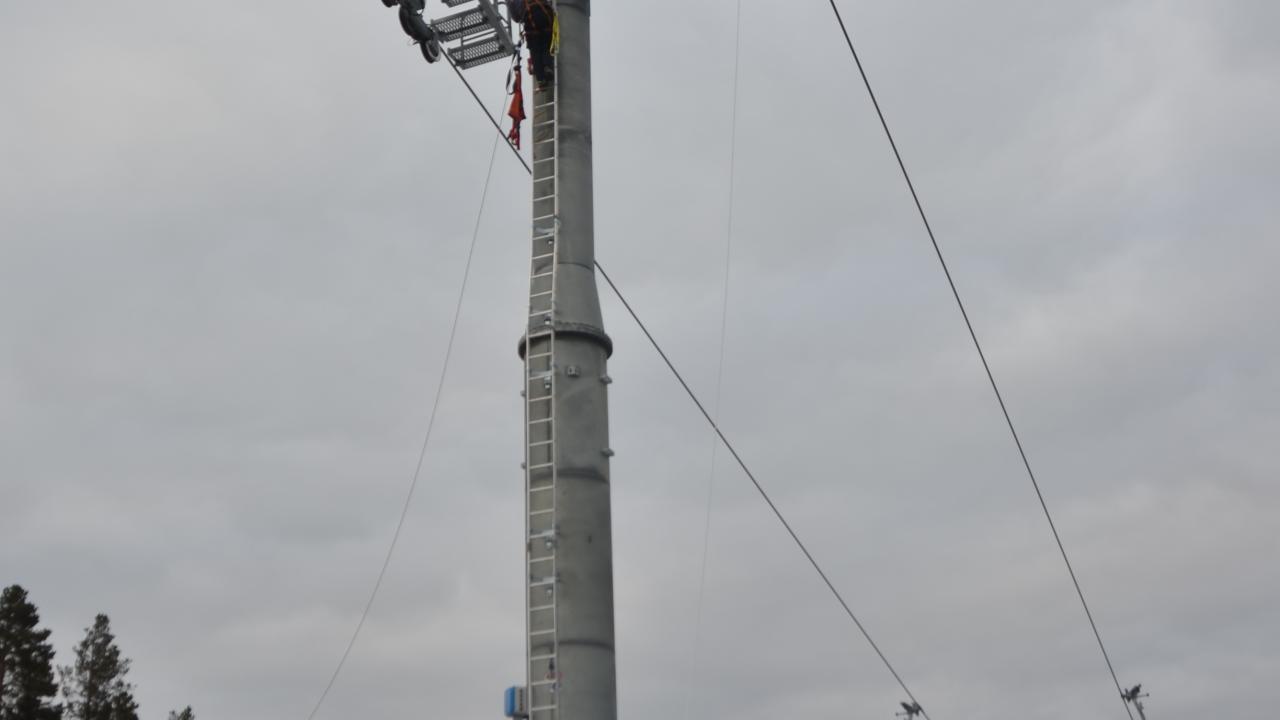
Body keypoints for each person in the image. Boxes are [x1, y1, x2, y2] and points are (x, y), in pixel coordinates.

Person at [511, 0, 555, 84]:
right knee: (546, 44)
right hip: (544, 17)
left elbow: (516, 17)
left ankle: (540, 78)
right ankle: (547, 66)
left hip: (531, 22)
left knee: (535, 51)